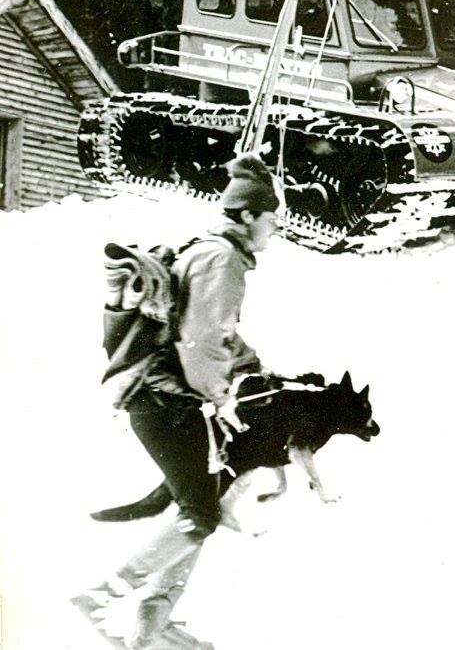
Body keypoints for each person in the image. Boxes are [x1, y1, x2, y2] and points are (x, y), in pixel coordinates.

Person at [79, 155, 281, 648]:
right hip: (165, 400)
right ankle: (100, 598)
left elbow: (211, 333)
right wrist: (222, 396)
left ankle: (153, 622)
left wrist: (250, 365)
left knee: (200, 506)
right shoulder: (222, 259)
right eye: (272, 220)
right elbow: (201, 340)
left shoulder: (206, 250)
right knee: (201, 512)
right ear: (249, 215)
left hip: (160, 397)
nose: (275, 231)